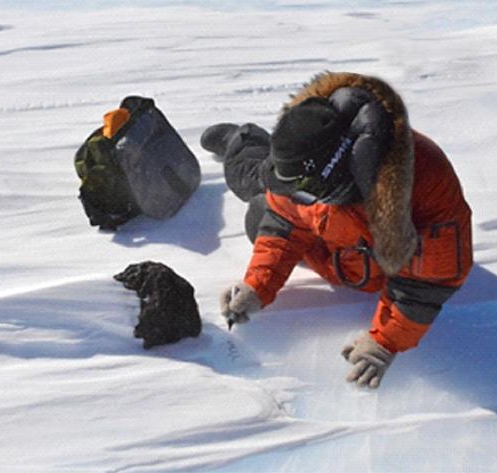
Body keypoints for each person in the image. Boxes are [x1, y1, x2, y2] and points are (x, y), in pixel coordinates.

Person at [202, 72, 473, 389]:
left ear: (336, 181)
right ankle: (243, 141)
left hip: (366, 259)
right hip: (334, 247)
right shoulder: (305, 173)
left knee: (262, 206)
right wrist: (256, 286)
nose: (296, 198)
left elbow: (426, 285)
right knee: (256, 190)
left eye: (303, 193)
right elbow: (283, 222)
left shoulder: (420, 180)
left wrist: (385, 343)